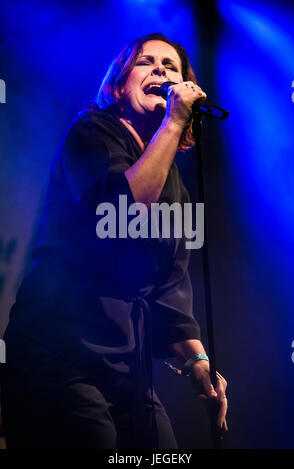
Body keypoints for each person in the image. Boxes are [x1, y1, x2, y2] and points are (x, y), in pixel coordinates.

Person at [0, 33, 227, 449]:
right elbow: (121, 209)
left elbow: (169, 288)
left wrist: (198, 363)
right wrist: (175, 122)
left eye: (170, 66)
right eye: (146, 62)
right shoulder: (91, 131)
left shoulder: (175, 185)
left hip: (128, 368)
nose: (160, 69)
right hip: (59, 355)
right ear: (119, 85)